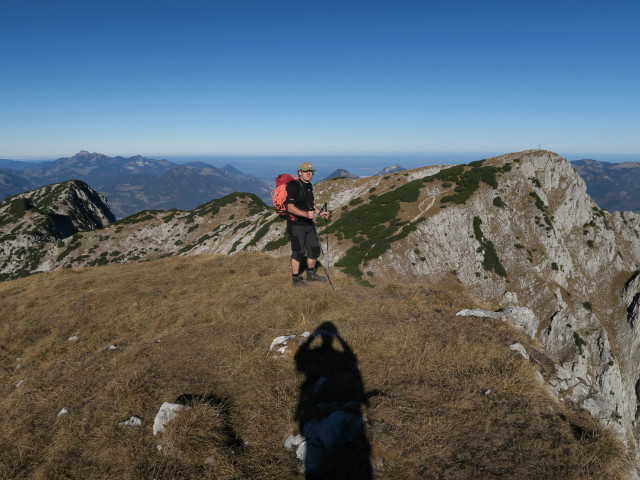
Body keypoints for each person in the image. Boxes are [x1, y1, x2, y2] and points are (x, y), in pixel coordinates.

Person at [285, 161, 330, 287]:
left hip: (308, 225)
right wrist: (306, 214)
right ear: (300, 172)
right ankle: (296, 280)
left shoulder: (309, 186)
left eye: (311, 172)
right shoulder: (293, 186)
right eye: (306, 171)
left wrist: (320, 213)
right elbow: (290, 207)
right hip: (296, 225)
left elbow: (310, 204)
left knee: (314, 249)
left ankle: (311, 275)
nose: (309, 173)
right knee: (298, 252)